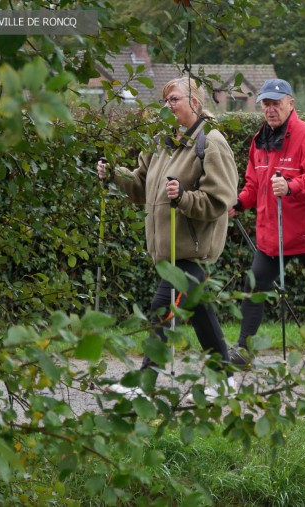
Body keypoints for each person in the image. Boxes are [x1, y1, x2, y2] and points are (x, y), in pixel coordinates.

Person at [97, 77, 239, 398]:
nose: (167, 106)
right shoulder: (162, 141)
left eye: (174, 99)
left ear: (195, 104)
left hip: (191, 250)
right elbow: (140, 185)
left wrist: (183, 198)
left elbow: (221, 199)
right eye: (165, 100)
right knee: (201, 312)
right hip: (169, 249)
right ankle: (224, 380)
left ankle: (146, 383)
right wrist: (114, 175)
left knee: (162, 309)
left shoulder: (211, 142)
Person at [227, 78, 305, 366]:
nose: (270, 109)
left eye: (276, 103)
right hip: (273, 236)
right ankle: (243, 350)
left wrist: (292, 186)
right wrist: (240, 202)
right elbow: (253, 185)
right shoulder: (259, 140)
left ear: (291, 104)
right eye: (266, 104)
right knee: (255, 283)